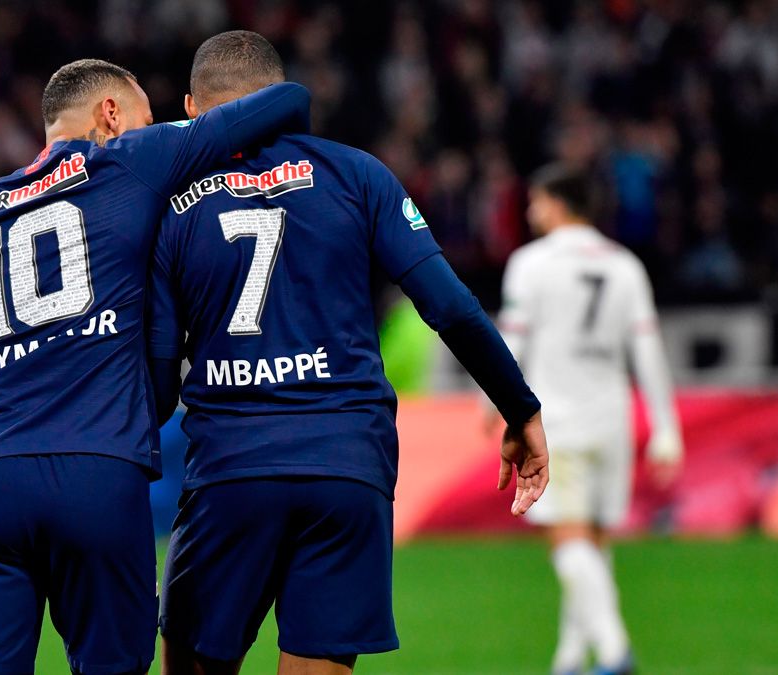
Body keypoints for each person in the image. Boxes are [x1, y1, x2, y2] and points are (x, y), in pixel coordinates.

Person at [146, 31, 549, 675]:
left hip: (231, 468)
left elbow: (160, 378)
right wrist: (518, 406)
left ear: (194, 109)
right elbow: (449, 305)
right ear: (278, 96)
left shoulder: (170, 206)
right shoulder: (358, 173)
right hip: (346, 465)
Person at [0, 59, 310, 675]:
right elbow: (284, 100)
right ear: (110, 115)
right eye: (141, 118)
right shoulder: (128, 159)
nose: (148, 129)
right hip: (98, 475)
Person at [497, 164, 683, 675]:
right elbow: (646, 349)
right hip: (611, 419)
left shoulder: (530, 264)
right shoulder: (624, 265)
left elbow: (511, 342)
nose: (532, 212)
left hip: (555, 420)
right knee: (594, 544)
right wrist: (667, 427)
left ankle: (615, 650)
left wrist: (490, 404)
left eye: (537, 202)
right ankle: (571, 658)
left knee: (568, 540)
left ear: (558, 204)